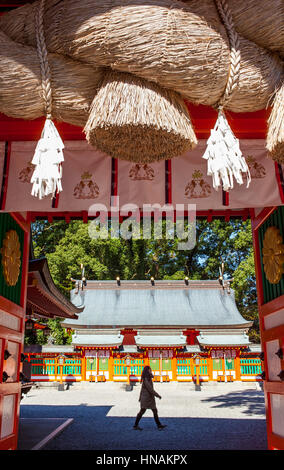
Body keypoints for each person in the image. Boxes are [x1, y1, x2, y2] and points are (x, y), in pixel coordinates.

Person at [133, 365, 167, 430]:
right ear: (147, 371)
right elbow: (150, 389)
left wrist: (140, 397)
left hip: (149, 398)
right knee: (142, 411)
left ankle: (159, 425)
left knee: (154, 410)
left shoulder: (148, 378)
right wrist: (157, 395)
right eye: (150, 370)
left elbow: (143, 389)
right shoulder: (146, 379)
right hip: (146, 398)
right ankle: (135, 425)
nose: (151, 371)